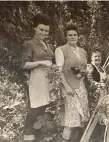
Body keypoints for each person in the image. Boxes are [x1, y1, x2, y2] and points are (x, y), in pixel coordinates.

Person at [21, 13, 54, 142]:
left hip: (48, 80)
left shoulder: (48, 45)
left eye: (46, 31)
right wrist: (40, 63)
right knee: (35, 109)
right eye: (41, 29)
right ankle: (28, 137)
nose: (44, 33)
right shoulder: (29, 44)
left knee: (43, 109)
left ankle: (37, 137)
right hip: (37, 80)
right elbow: (24, 64)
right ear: (34, 28)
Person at [55, 22, 90, 142]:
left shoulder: (83, 51)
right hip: (69, 88)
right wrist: (66, 87)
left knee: (81, 119)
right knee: (71, 119)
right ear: (66, 36)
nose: (73, 37)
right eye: (70, 35)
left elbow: (85, 68)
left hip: (81, 87)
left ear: (78, 36)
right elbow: (59, 72)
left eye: (75, 34)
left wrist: (84, 73)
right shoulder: (61, 50)